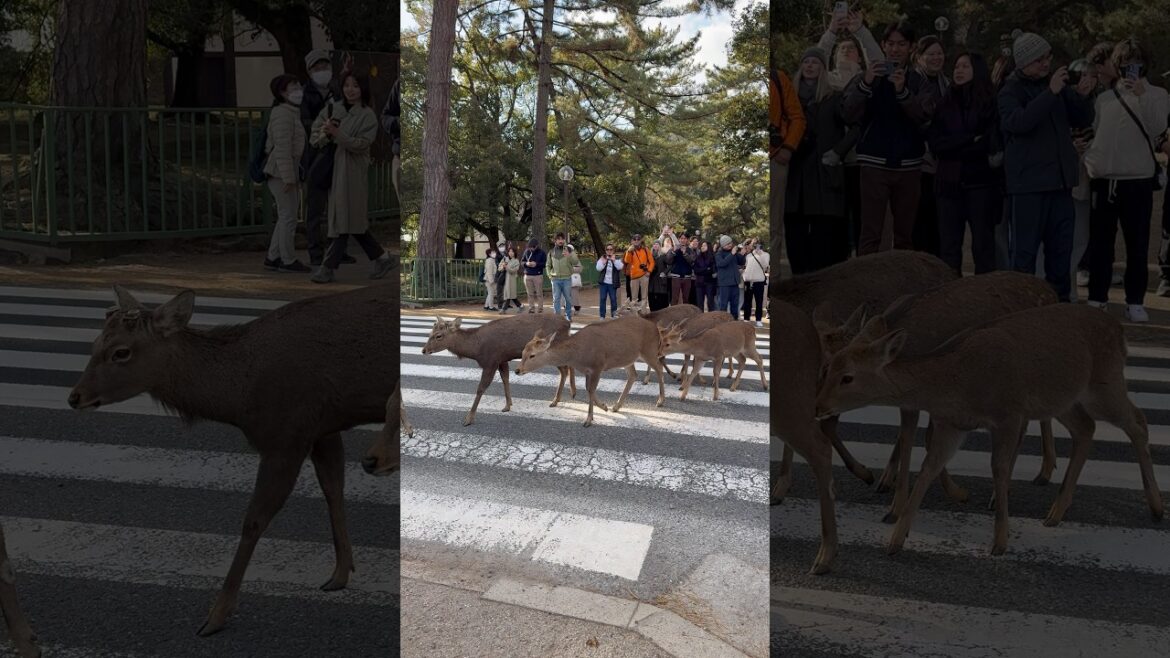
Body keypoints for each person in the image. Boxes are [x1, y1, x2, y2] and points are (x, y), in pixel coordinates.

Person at [997, 32, 1095, 301]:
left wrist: (1081, 96)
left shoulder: (1057, 86)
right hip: (1028, 186)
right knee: (1024, 254)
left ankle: (1058, 307)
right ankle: (1020, 308)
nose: (1045, 63)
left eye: (1048, 57)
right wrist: (1050, 93)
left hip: (1061, 184)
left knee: (1060, 253)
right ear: (1025, 61)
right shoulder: (1010, 89)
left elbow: (1084, 119)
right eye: (1039, 59)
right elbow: (1018, 123)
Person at [1083, 39, 1169, 322]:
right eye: (1126, 63)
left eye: (1137, 63)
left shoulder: (1158, 95)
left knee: (1137, 244)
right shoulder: (1104, 99)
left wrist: (1143, 95)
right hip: (1105, 180)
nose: (1131, 68)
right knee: (1100, 245)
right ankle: (1097, 297)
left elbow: (1158, 127)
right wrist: (1092, 163)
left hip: (1138, 180)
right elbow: (1096, 134)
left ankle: (1135, 300)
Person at [842, 20, 933, 255]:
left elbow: (924, 116)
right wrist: (866, 83)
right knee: (871, 233)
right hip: (873, 163)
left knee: (905, 235)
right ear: (883, 45)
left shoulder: (918, 80)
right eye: (891, 44)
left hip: (910, 166)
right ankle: (865, 285)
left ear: (911, 47)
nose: (895, 49)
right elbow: (848, 113)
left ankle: (901, 287)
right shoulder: (868, 76)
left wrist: (903, 92)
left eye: (901, 44)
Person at [308, 74, 395, 284]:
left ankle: (327, 268)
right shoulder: (331, 109)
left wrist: (338, 134)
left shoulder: (367, 115)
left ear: (362, 89)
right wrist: (326, 134)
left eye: (355, 85)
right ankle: (382, 257)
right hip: (333, 170)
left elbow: (362, 144)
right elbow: (314, 138)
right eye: (347, 85)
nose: (350, 90)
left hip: (353, 171)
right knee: (349, 221)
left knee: (346, 220)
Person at [928, 52, 1001, 274]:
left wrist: (956, 146)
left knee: (983, 245)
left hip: (980, 184)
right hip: (948, 185)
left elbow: (988, 142)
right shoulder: (944, 104)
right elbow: (936, 144)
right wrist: (969, 139)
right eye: (956, 66)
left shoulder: (989, 103)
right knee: (949, 246)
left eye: (965, 67)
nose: (958, 70)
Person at [786, 46, 850, 273]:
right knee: (796, 237)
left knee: (824, 238)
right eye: (806, 62)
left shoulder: (834, 98)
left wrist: (838, 152)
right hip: (797, 176)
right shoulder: (789, 99)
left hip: (824, 176)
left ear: (823, 68)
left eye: (815, 62)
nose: (810, 66)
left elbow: (855, 126)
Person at [301, 49, 353, 267]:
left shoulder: (336, 92)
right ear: (310, 71)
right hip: (314, 154)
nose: (322, 71)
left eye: (325, 66)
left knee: (338, 205)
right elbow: (303, 123)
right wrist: (323, 128)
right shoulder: (304, 94)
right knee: (315, 207)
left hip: (335, 152)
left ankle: (337, 250)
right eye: (317, 68)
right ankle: (315, 252)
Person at [261, 74, 310, 273]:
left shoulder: (289, 112)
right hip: (280, 173)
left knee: (285, 216)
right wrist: (289, 178)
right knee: (289, 217)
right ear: (283, 92)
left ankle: (273, 257)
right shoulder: (283, 114)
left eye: (299, 86)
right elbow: (282, 149)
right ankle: (287, 260)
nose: (298, 91)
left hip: (281, 172)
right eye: (293, 88)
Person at [910, 35, 950, 257]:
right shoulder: (913, 81)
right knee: (919, 219)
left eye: (939, 53)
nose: (936, 58)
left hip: (942, 162)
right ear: (919, 57)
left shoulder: (948, 84)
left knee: (939, 221)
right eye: (931, 54)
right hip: (917, 161)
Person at [770, 67, 806, 274]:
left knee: (774, 225)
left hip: (776, 156)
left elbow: (798, 118)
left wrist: (788, 148)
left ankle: (774, 279)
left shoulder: (778, 77)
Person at [547, 233, 579, 322]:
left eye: (562, 239)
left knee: (568, 298)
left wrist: (570, 256)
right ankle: (557, 318)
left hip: (566, 279)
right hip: (555, 279)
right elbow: (548, 265)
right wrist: (550, 276)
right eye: (558, 239)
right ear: (555, 240)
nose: (561, 241)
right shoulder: (551, 252)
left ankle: (568, 316)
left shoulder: (569, 249)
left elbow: (576, 262)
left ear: (564, 240)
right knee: (556, 299)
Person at [715, 235, 746, 319]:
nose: (730, 245)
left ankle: (734, 321)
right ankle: (722, 321)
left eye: (730, 243)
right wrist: (732, 254)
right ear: (722, 245)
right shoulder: (719, 254)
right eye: (727, 244)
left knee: (735, 305)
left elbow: (742, 262)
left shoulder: (734, 253)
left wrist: (742, 254)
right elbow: (722, 264)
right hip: (724, 284)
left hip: (735, 283)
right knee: (723, 305)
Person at [741, 239, 769, 327]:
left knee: (759, 302)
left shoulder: (766, 255)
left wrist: (760, 254)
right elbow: (746, 267)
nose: (756, 246)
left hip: (759, 282)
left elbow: (765, 266)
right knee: (747, 301)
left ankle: (758, 319)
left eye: (758, 244)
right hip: (748, 281)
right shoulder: (748, 255)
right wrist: (745, 276)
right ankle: (746, 318)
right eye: (754, 244)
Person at [622, 234, 655, 304]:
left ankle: (643, 313)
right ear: (632, 241)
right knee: (634, 298)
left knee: (644, 297)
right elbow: (627, 261)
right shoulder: (630, 250)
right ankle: (635, 314)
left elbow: (652, 262)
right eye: (635, 239)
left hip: (644, 275)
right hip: (634, 276)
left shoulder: (645, 249)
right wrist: (629, 251)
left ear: (641, 241)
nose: (636, 241)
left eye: (638, 239)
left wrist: (649, 271)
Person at [596, 243, 624, 319]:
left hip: (612, 283)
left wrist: (614, 261)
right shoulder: (602, 258)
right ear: (605, 250)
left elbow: (620, 267)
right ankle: (602, 316)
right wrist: (604, 262)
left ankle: (614, 315)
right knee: (602, 298)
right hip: (604, 283)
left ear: (613, 250)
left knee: (613, 299)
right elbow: (598, 268)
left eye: (611, 249)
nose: (609, 251)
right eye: (607, 249)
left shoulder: (617, 258)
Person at [521, 238, 547, 313]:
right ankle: (531, 308)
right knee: (530, 294)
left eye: (532, 247)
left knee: (539, 293)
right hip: (527, 275)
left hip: (538, 275)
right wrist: (526, 263)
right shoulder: (526, 251)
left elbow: (545, 264)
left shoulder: (542, 253)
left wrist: (536, 264)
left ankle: (540, 309)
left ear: (536, 246)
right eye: (530, 247)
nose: (531, 248)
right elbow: (522, 262)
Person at [693, 240, 717, 311]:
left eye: (704, 245)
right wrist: (706, 269)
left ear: (708, 247)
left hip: (709, 282)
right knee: (700, 303)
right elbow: (696, 270)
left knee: (710, 303)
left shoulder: (712, 257)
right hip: (699, 283)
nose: (702, 247)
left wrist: (703, 270)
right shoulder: (698, 257)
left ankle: (711, 318)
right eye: (701, 246)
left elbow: (712, 270)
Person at [499, 245, 522, 313]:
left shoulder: (516, 261)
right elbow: (499, 268)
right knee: (510, 295)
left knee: (509, 295)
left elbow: (514, 270)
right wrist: (502, 267)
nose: (511, 253)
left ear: (515, 253)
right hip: (505, 279)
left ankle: (503, 309)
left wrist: (507, 267)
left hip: (512, 280)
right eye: (509, 251)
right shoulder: (504, 259)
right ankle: (520, 306)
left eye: (512, 251)